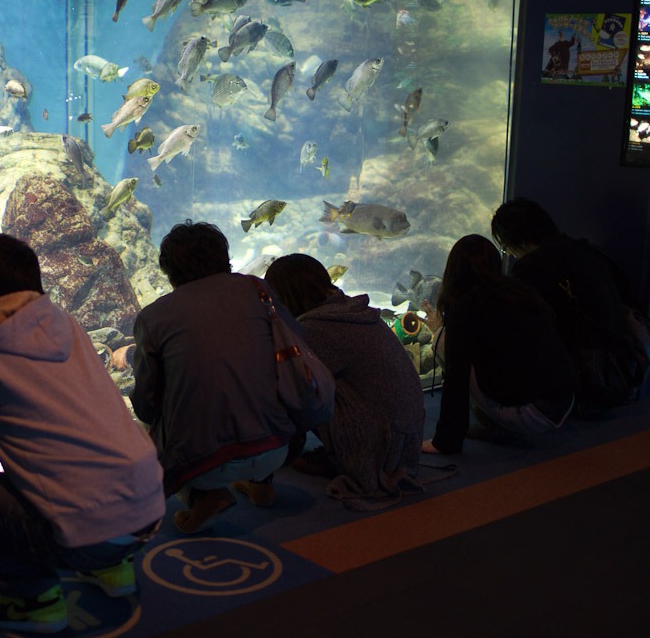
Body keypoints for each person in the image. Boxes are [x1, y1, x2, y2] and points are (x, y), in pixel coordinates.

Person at [0, 233, 164, 635]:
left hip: (87, 529)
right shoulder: (67, 323)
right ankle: (113, 566)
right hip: (146, 512)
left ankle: (32, 598)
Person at [131, 221, 328, 533]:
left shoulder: (153, 317)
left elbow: (145, 404)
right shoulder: (260, 290)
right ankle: (262, 484)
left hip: (202, 463)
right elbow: (297, 341)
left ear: (168, 270)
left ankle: (201, 496)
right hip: (281, 446)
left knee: (141, 427)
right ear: (225, 257)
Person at [264, 254, 425, 509]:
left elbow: (289, 386)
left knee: (293, 381)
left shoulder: (317, 327)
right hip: (408, 441)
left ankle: (302, 455)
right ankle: (337, 455)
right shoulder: (350, 311)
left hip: (382, 446)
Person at [420, 235, 576, 455]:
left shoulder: (465, 306)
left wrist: (446, 441)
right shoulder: (520, 291)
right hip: (565, 402)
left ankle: (499, 424)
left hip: (534, 414)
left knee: (441, 340)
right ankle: (498, 419)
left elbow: (457, 377)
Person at [491, 198, 644, 416]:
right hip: (621, 369)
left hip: (585, 380)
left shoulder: (531, 267)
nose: (511, 255)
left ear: (519, 240)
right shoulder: (588, 250)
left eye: (506, 248)